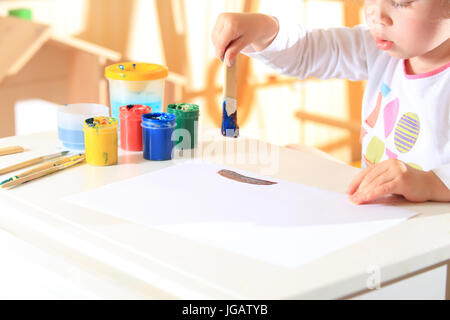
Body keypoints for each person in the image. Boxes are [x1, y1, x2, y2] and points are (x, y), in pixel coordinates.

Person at [211, 0, 450, 205]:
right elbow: (309, 52)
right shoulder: (380, 50)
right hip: (379, 210)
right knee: (295, 155)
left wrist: (430, 183)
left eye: (401, 1)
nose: (377, 15)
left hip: (432, 231)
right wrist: (263, 30)